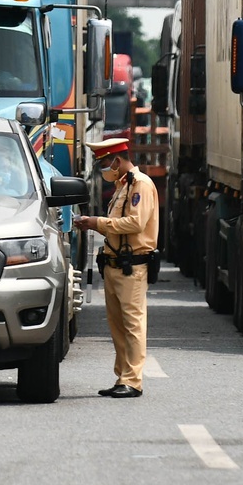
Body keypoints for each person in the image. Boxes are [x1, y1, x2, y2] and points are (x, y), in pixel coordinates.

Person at [73, 137, 158, 398]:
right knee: (118, 324)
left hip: (131, 266)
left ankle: (133, 381)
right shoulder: (124, 185)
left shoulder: (140, 185)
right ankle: (123, 376)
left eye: (105, 163)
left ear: (117, 161)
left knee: (132, 324)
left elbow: (135, 223)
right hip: (114, 264)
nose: (103, 168)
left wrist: (96, 222)